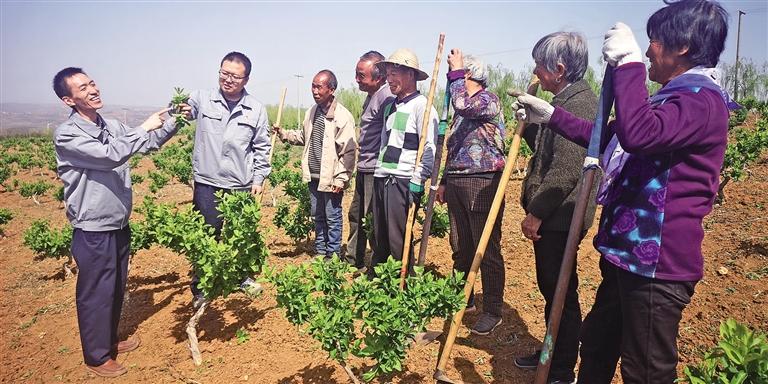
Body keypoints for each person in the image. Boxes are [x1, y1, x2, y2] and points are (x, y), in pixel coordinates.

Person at [512, 1, 735, 382]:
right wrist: (549, 116)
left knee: (645, 369)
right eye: (644, 46)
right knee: (597, 345)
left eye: (655, 42)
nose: (649, 51)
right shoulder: (668, 99)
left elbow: (638, 134)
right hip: (626, 257)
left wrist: (630, 64)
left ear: (682, 47)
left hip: (657, 267)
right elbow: (609, 137)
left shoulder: (702, 102)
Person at [52, 67, 181, 377]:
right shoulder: (68, 135)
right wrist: (143, 127)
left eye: (92, 83)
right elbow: (110, 156)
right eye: (83, 88)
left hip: (117, 222)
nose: (92, 90)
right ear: (69, 100)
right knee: (96, 291)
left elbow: (146, 143)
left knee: (114, 287)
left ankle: (108, 339)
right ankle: (96, 357)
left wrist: (175, 120)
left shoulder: (110, 125)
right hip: (93, 227)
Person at [511, 32, 599, 384]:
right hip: (556, 214)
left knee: (562, 290)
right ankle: (550, 349)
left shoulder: (579, 104)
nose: (535, 71)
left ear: (559, 69)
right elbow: (547, 151)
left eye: (539, 65)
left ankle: (561, 367)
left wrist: (537, 212)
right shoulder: (563, 99)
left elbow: (564, 172)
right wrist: (532, 125)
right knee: (552, 288)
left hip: (562, 215)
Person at [187, 51, 271, 308]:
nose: (228, 79)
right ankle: (202, 284)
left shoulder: (256, 109)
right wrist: (179, 108)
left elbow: (262, 147)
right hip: (208, 183)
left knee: (239, 235)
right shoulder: (201, 99)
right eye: (224, 73)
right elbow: (183, 113)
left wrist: (258, 179)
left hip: (240, 185)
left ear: (246, 79)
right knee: (206, 235)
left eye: (234, 75)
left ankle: (240, 277)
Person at [435, 49, 507, 336]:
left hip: (483, 181)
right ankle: (463, 300)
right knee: (460, 244)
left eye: (460, 76)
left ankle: (493, 310)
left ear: (470, 76)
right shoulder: (461, 110)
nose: (455, 82)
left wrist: (455, 72)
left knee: (485, 248)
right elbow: (454, 146)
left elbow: (463, 104)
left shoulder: (487, 101)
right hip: (457, 181)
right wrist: (443, 180)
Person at [275, 70, 357, 259]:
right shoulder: (311, 112)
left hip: (331, 177)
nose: (315, 90)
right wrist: (283, 133)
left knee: (332, 217)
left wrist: (342, 178)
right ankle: (321, 251)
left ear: (331, 89)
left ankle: (333, 254)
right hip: (313, 175)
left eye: (319, 86)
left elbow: (349, 151)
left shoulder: (342, 116)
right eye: (313, 86)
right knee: (318, 216)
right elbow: (304, 137)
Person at [370, 48, 438, 272]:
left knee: (398, 240)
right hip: (383, 176)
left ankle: (402, 288)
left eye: (394, 74)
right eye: (388, 74)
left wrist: (418, 179)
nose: (389, 80)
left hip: (402, 180)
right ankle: (379, 286)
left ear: (410, 75)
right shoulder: (390, 106)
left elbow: (428, 147)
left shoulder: (423, 107)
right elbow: (384, 143)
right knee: (379, 237)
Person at [345, 51, 395, 272]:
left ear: (379, 76)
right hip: (363, 166)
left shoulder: (387, 97)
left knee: (372, 221)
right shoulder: (371, 95)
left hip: (375, 169)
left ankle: (377, 269)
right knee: (356, 215)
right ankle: (353, 260)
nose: (356, 79)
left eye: (361, 75)